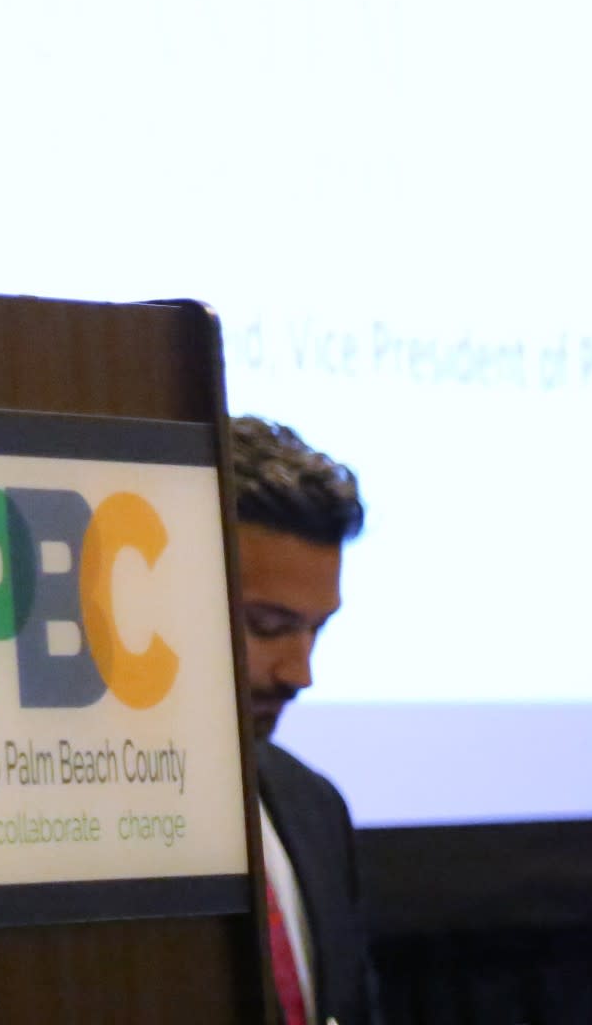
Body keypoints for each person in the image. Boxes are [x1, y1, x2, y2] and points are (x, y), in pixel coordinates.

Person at [231, 414, 376, 1025]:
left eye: (317, 630)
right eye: (267, 626)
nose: (299, 673)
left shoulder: (314, 807)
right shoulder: (92, 820)